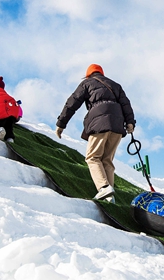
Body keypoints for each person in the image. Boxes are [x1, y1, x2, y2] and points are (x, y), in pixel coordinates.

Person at [55, 64, 135, 203]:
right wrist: (130, 123)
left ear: (88, 75)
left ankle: (104, 187)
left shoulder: (87, 83)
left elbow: (72, 103)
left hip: (100, 122)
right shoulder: (116, 85)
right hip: (117, 125)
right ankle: (110, 197)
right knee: (107, 160)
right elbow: (126, 104)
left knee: (92, 157)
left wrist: (61, 124)